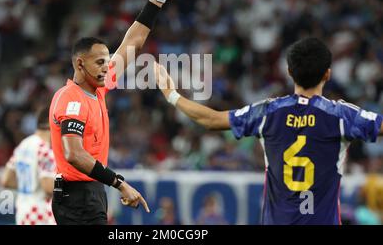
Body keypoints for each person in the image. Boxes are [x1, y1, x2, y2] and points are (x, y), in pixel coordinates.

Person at [154, 37, 383, 225]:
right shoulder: (341, 116)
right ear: (327, 74)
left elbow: (212, 119)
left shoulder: (268, 112)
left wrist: (171, 94)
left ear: (289, 72)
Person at [49, 0, 172, 225]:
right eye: (100, 63)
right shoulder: (72, 100)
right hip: (77, 199)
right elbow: (74, 154)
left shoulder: (98, 87)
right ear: (80, 64)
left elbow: (132, 43)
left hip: (89, 194)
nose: (107, 68)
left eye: (107, 61)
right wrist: (119, 183)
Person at [1, 107, 56, 225]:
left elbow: (6, 180)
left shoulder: (23, 145)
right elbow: (47, 186)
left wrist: (30, 185)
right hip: (40, 213)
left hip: (22, 212)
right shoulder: (44, 149)